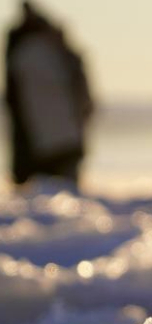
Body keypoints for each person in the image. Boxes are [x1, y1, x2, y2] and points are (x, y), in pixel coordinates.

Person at [5, 1, 93, 190]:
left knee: (50, 204)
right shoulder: (58, 51)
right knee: (63, 201)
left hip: (46, 147)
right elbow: (84, 99)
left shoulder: (23, 53)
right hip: (66, 141)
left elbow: (17, 109)